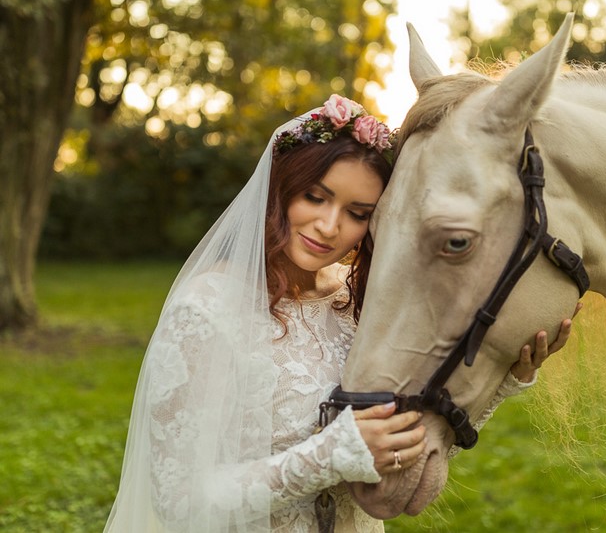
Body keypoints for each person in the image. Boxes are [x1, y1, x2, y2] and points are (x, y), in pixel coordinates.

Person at [104, 95, 575, 533]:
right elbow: (179, 498)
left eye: (357, 212)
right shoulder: (207, 311)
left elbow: (411, 440)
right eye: (315, 196)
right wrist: (330, 456)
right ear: (280, 189)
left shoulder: (352, 304)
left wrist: (507, 380)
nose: (329, 227)